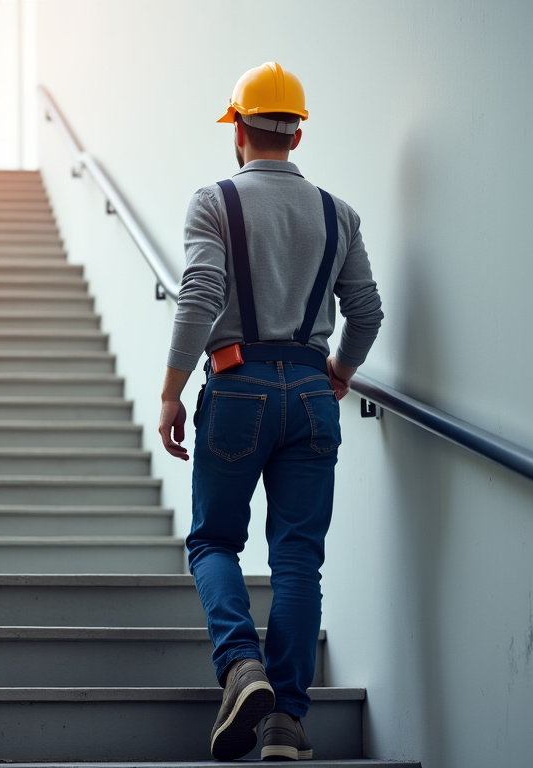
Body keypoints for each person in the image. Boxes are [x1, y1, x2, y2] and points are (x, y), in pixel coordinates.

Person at [157, 61, 383, 761]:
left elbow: (199, 296)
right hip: (313, 397)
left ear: (238, 131)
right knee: (297, 560)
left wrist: (170, 390)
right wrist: (338, 373)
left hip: (236, 388)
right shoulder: (337, 213)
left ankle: (240, 667)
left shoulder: (212, 202)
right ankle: (286, 720)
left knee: (215, 543)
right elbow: (367, 312)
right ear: (297, 135)